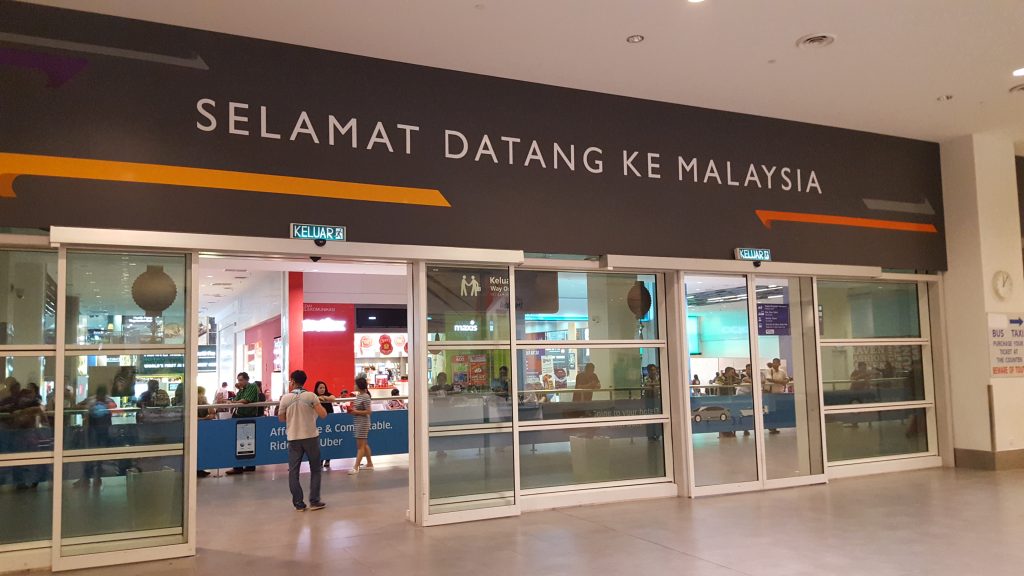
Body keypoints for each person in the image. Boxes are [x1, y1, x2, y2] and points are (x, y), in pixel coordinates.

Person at [278, 370, 327, 511]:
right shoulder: (311, 396)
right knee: (315, 469)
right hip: (311, 436)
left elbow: (281, 418)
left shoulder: (286, 398)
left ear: (293, 381)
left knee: (293, 472)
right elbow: (323, 414)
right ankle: (314, 501)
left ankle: (298, 503)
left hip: (294, 437)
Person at [74, 385, 116, 488]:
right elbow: (78, 406)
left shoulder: (106, 400)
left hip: (100, 429)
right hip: (93, 429)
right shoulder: (94, 400)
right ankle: (90, 474)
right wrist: (88, 408)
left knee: (96, 450)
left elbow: (115, 408)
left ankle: (94, 473)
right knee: (91, 450)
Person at [227, 372, 260, 475]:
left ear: (247, 379)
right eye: (238, 380)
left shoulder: (252, 387)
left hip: (247, 417)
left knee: (246, 442)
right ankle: (244, 466)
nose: (239, 382)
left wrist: (233, 403)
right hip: (240, 417)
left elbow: (245, 400)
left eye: (241, 380)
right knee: (242, 443)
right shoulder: (242, 389)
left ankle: (242, 466)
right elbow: (237, 399)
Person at [348, 374, 374, 475]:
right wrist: (353, 411)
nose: (354, 386)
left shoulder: (366, 397)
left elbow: (369, 411)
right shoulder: (359, 396)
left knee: (360, 446)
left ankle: (356, 467)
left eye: (355, 384)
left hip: (363, 423)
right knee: (364, 444)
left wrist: (356, 412)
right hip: (358, 421)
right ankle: (369, 463)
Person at [313, 381, 336, 469]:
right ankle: (320, 459)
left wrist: (325, 398)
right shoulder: (313, 396)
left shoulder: (328, 394)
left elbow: (333, 398)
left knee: (328, 440)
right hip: (318, 421)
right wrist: (319, 398)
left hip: (329, 421)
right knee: (320, 441)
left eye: (324, 387)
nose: (322, 389)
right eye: (320, 388)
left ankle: (327, 459)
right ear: (316, 389)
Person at [196, 386, 216, 477]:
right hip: (199, 430)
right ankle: (198, 469)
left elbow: (212, 413)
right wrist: (205, 418)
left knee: (199, 449)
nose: (201, 396)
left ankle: (199, 469)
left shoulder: (204, 403)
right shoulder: (192, 403)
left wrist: (209, 407)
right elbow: (193, 418)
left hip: (201, 430)